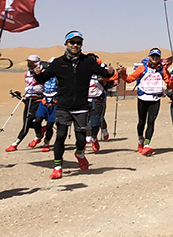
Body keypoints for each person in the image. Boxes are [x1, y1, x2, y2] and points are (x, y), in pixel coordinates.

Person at [33, 31, 117, 179]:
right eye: (72, 42)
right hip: (63, 106)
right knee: (61, 136)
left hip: (81, 107)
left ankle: (79, 153)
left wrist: (110, 72)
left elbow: (103, 72)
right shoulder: (58, 63)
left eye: (78, 42)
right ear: (66, 43)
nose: (75, 45)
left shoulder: (88, 61)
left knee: (81, 138)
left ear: (82, 45)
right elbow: (43, 78)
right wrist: (37, 74)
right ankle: (58, 167)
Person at [121, 48, 171, 156]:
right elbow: (129, 79)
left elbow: (169, 82)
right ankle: (140, 140)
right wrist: (122, 73)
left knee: (151, 122)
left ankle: (147, 145)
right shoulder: (142, 68)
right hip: (143, 98)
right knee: (141, 122)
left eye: (157, 56)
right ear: (149, 57)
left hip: (155, 99)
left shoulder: (162, 69)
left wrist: (172, 75)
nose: (155, 58)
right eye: (153, 56)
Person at [5, 55, 45, 152]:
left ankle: (15, 144)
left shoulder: (44, 73)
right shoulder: (26, 74)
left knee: (29, 123)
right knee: (28, 122)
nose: (30, 64)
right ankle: (41, 130)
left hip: (38, 100)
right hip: (28, 99)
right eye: (29, 62)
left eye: (32, 62)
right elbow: (28, 85)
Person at [85, 57, 118, 152]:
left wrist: (115, 72)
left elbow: (113, 78)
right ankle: (86, 139)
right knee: (84, 121)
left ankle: (99, 133)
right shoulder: (83, 71)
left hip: (99, 100)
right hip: (84, 100)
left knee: (99, 119)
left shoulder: (102, 72)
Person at [34, 61, 58, 152]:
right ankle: (38, 135)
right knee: (37, 121)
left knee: (49, 125)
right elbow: (38, 80)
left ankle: (46, 142)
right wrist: (37, 74)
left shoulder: (59, 76)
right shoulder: (45, 75)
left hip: (55, 102)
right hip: (44, 101)